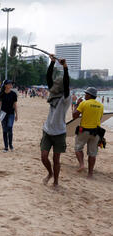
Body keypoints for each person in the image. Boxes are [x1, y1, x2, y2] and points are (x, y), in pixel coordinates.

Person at [40, 55, 71, 188]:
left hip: (59, 132)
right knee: (44, 157)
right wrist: (52, 63)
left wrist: (65, 67)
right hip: (47, 130)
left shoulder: (66, 98)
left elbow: (66, 83)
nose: (54, 86)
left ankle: (56, 181)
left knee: (56, 159)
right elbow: (48, 79)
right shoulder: (53, 95)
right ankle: (50, 173)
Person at [72, 87, 104, 178]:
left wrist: (76, 105)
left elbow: (74, 116)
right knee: (92, 154)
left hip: (84, 131)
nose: (85, 95)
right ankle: (90, 174)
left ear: (89, 95)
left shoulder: (84, 103)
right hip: (96, 132)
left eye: (86, 93)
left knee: (78, 148)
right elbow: (100, 118)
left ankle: (82, 164)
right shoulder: (101, 105)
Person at [0, 80, 18, 152]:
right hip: (3, 113)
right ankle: (6, 147)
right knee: (4, 130)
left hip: (11, 113)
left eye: (11, 84)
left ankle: (10, 145)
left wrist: (17, 114)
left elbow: (15, 105)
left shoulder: (13, 94)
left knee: (10, 127)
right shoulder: (1, 94)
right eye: (9, 84)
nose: (11, 85)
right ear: (5, 85)